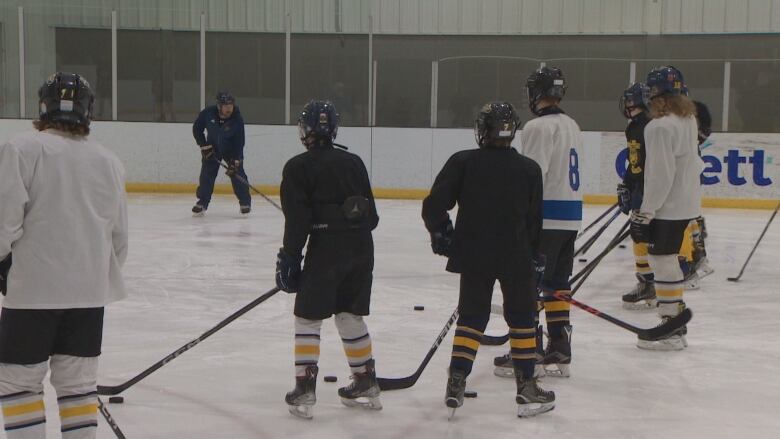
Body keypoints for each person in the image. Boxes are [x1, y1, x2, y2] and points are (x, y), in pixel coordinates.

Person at [0, 72, 128, 439]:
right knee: (78, 386)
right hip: (87, 295)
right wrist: (93, 276)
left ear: (44, 106)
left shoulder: (21, 148)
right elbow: (120, 237)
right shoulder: (109, 161)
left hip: (31, 292)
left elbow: (4, 221)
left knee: (20, 385)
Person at [423, 102, 554, 419]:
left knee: (471, 317)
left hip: (474, 254)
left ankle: (456, 381)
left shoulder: (463, 162)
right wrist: (537, 257)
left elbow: (433, 206)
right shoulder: (529, 169)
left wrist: (442, 233)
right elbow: (536, 222)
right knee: (522, 319)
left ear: (482, 130)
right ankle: (526, 386)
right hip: (517, 253)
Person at [275, 100, 381, 419]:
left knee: (308, 317)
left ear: (305, 131)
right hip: (362, 249)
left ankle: (304, 389)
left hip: (326, 252)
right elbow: (372, 217)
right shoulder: (354, 162)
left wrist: (289, 258)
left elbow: (297, 222)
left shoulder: (297, 167)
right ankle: (365, 380)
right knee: (349, 315)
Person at [494, 67, 583, 379]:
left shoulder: (537, 127)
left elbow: (533, 175)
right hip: (571, 216)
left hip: (544, 218)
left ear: (535, 93)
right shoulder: (572, 124)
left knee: (527, 285)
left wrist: (516, 216)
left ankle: (528, 348)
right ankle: (560, 346)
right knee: (557, 283)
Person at [630, 66, 701, 350]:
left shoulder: (659, 126)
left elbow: (660, 174)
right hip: (685, 202)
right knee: (667, 258)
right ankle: (674, 319)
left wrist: (646, 212)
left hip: (667, 206)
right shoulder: (688, 119)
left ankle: (672, 324)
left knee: (661, 259)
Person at [191, 91, 251, 216]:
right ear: (219, 106)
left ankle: (245, 202)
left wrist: (236, 159)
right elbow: (197, 128)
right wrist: (203, 145)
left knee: (237, 173)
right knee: (207, 174)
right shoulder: (208, 114)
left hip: (231, 150)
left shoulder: (237, 119)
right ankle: (202, 202)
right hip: (212, 148)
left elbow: (240, 141)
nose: (229, 108)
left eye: (231, 105)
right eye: (226, 105)